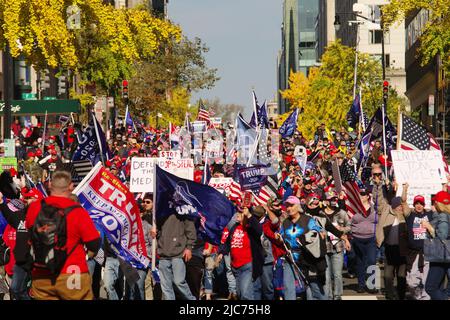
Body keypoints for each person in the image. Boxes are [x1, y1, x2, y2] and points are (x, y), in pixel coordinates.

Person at [25, 170, 101, 300]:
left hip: (41, 273)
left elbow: (29, 234)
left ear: (49, 184)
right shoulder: (78, 211)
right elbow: (93, 242)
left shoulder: (35, 207)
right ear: (71, 186)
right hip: (72, 273)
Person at [217, 206, 264, 300]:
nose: (237, 213)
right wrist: (221, 253)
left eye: (241, 212)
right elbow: (227, 242)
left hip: (247, 265)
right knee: (240, 294)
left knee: (246, 294)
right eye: (238, 211)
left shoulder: (250, 227)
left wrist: (249, 215)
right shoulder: (234, 227)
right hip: (235, 266)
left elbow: (259, 230)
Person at [375, 189, 408, 300]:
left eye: (401, 206)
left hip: (402, 250)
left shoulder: (405, 216)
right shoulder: (387, 213)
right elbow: (380, 202)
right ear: (393, 206)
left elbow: (406, 206)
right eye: (398, 206)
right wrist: (379, 186)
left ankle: (401, 295)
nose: (400, 208)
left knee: (401, 276)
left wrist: (405, 189)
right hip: (389, 249)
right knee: (388, 276)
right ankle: (389, 295)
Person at [155, 211, 197, 300]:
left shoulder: (183, 210)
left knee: (179, 282)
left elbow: (191, 231)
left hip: (178, 253)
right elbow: (158, 230)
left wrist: (189, 247)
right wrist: (155, 231)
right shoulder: (161, 210)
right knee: (166, 286)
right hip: (163, 254)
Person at [401, 184, 433, 300]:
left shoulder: (429, 214)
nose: (419, 206)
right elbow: (403, 202)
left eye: (421, 203)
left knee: (426, 281)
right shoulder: (410, 215)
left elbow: (441, 206)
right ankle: (418, 296)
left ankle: (425, 297)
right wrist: (404, 189)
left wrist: (445, 187)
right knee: (411, 282)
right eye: (417, 203)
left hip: (427, 253)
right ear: (414, 205)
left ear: (424, 205)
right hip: (413, 254)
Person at [322, 190, 351, 300]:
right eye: (331, 200)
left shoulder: (342, 213)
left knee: (337, 274)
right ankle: (328, 295)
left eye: (334, 199)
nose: (333, 201)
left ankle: (337, 295)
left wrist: (341, 229)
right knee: (327, 275)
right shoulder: (321, 214)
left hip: (338, 247)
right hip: (324, 248)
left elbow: (349, 226)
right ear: (326, 201)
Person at [350, 187, 378, 294]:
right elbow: (349, 221)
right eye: (360, 194)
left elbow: (378, 221)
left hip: (371, 239)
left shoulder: (374, 208)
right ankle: (361, 285)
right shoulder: (353, 208)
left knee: (371, 261)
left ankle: (371, 285)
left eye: (363, 194)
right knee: (360, 262)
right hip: (357, 239)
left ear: (367, 196)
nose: (361, 196)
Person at [425, 191, 450, 300]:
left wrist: (429, 227)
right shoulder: (445, 215)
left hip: (440, 255)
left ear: (438, 203)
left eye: (435, 202)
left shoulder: (443, 216)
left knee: (430, 287)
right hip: (444, 255)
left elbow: (442, 236)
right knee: (438, 287)